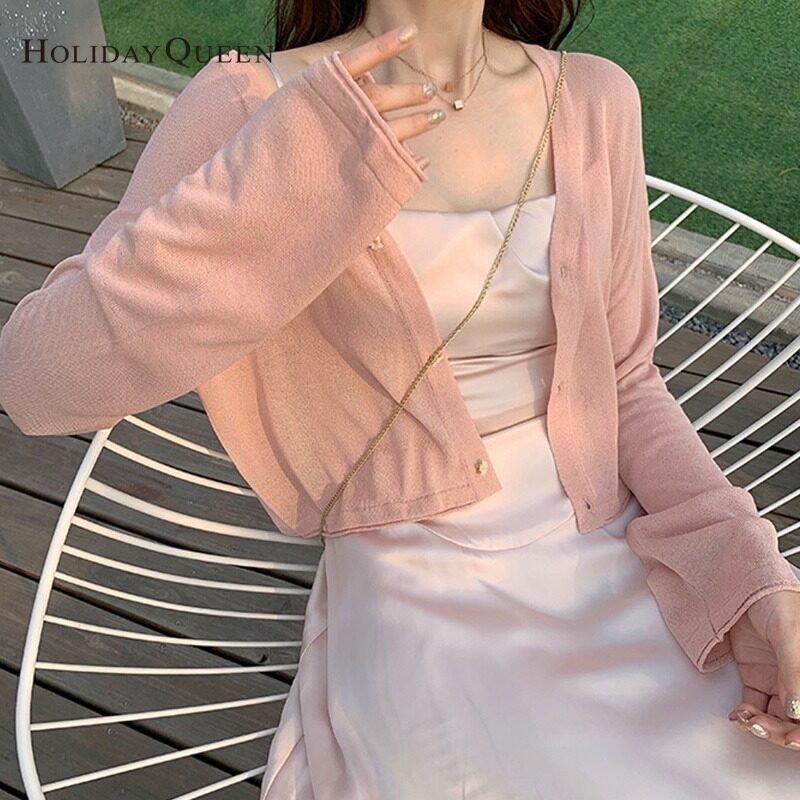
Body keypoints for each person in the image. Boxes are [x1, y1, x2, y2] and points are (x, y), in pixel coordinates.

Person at [1, 2, 798, 798]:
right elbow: (37, 382)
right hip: (411, 570)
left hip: (609, 539)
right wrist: (280, 179)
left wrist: (747, 572)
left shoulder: (596, 98)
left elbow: (624, 381)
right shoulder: (248, 98)